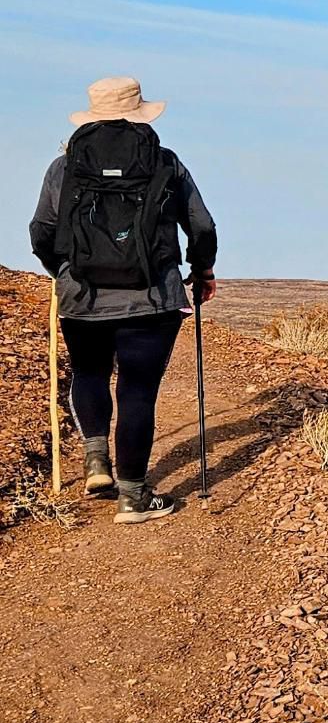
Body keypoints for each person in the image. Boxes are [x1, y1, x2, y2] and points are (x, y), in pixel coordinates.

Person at [27, 77, 218, 524]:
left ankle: (97, 460)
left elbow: (41, 231)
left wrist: (63, 273)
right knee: (138, 392)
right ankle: (134, 496)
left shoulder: (64, 167)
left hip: (81, 297)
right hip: (152, 298)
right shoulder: (166, 164)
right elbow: (202, 226)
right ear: (140, 113)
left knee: (89, 372)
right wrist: (202, 270)